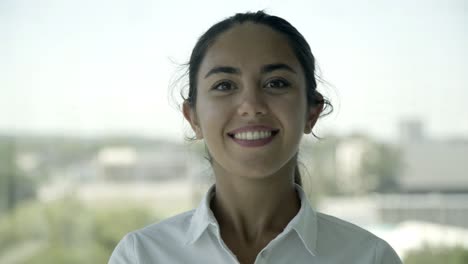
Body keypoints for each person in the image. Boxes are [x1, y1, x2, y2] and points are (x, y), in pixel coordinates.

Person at [109, 11, 402, 264]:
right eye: (225, 85)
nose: (251, 106)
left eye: (276, 83)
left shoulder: (369, 257)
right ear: (193, 117)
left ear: (312, 112)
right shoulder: (141, 255)